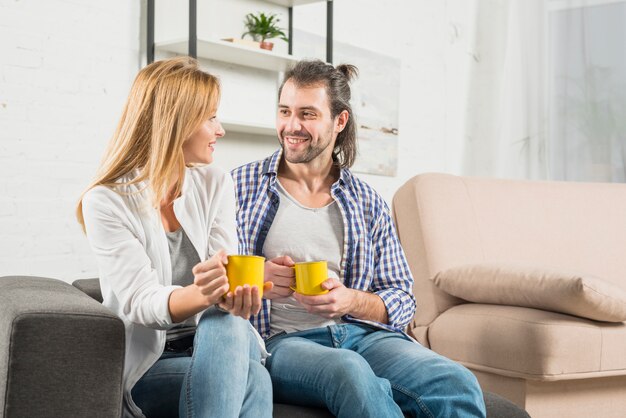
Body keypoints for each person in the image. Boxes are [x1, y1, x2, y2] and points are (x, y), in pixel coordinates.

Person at [231, 59, 486, 418]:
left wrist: (349, 300)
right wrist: (260, 278)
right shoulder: (239, 187)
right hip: (280, 343)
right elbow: (206, 277)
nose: (291, 126)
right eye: (285, 111)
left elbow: (401, 297)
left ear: (340, 121)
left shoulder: (366, 202)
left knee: (455, 381)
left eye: (307, 114)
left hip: (362, 335)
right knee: (348, 371)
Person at [76, 57, 272, 418]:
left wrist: (236, 294)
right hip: (151, 363)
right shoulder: (105, 201)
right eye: (211, 117)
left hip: (215, 344)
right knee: (254, 380)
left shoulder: (216, 184)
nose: (221, 130)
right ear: (176, 121)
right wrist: (205, 292)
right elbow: (140, 302)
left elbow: (225, 277)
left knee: (227, 324)